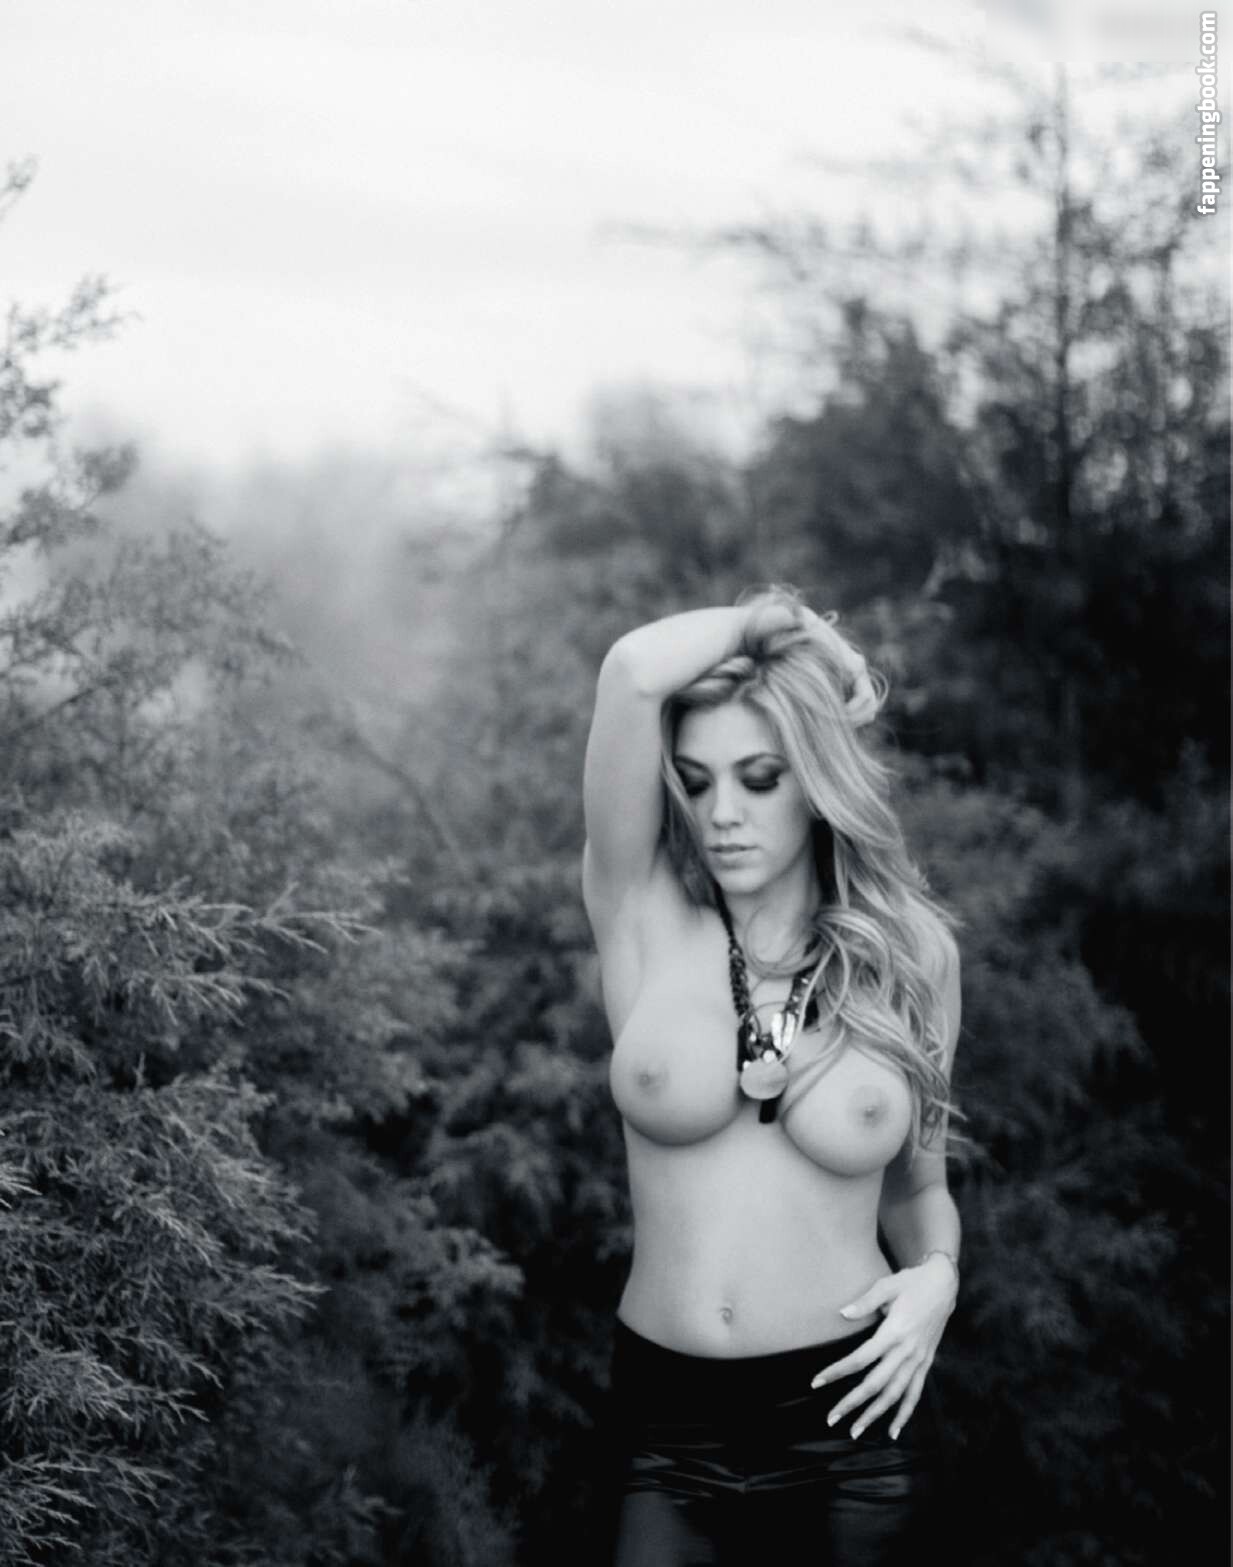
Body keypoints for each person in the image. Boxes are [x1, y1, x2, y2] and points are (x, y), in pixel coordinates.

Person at [581, 589, 963, 1566]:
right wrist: (794, 626)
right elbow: (633, 671)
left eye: (759, 778)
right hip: (663, 1424)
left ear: (818, 777)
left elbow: (918, 1190)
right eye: (697, 781)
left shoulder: (910, 956)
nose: (723, 814)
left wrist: (937, 1278)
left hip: (851, 1418)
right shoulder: (642, 916)